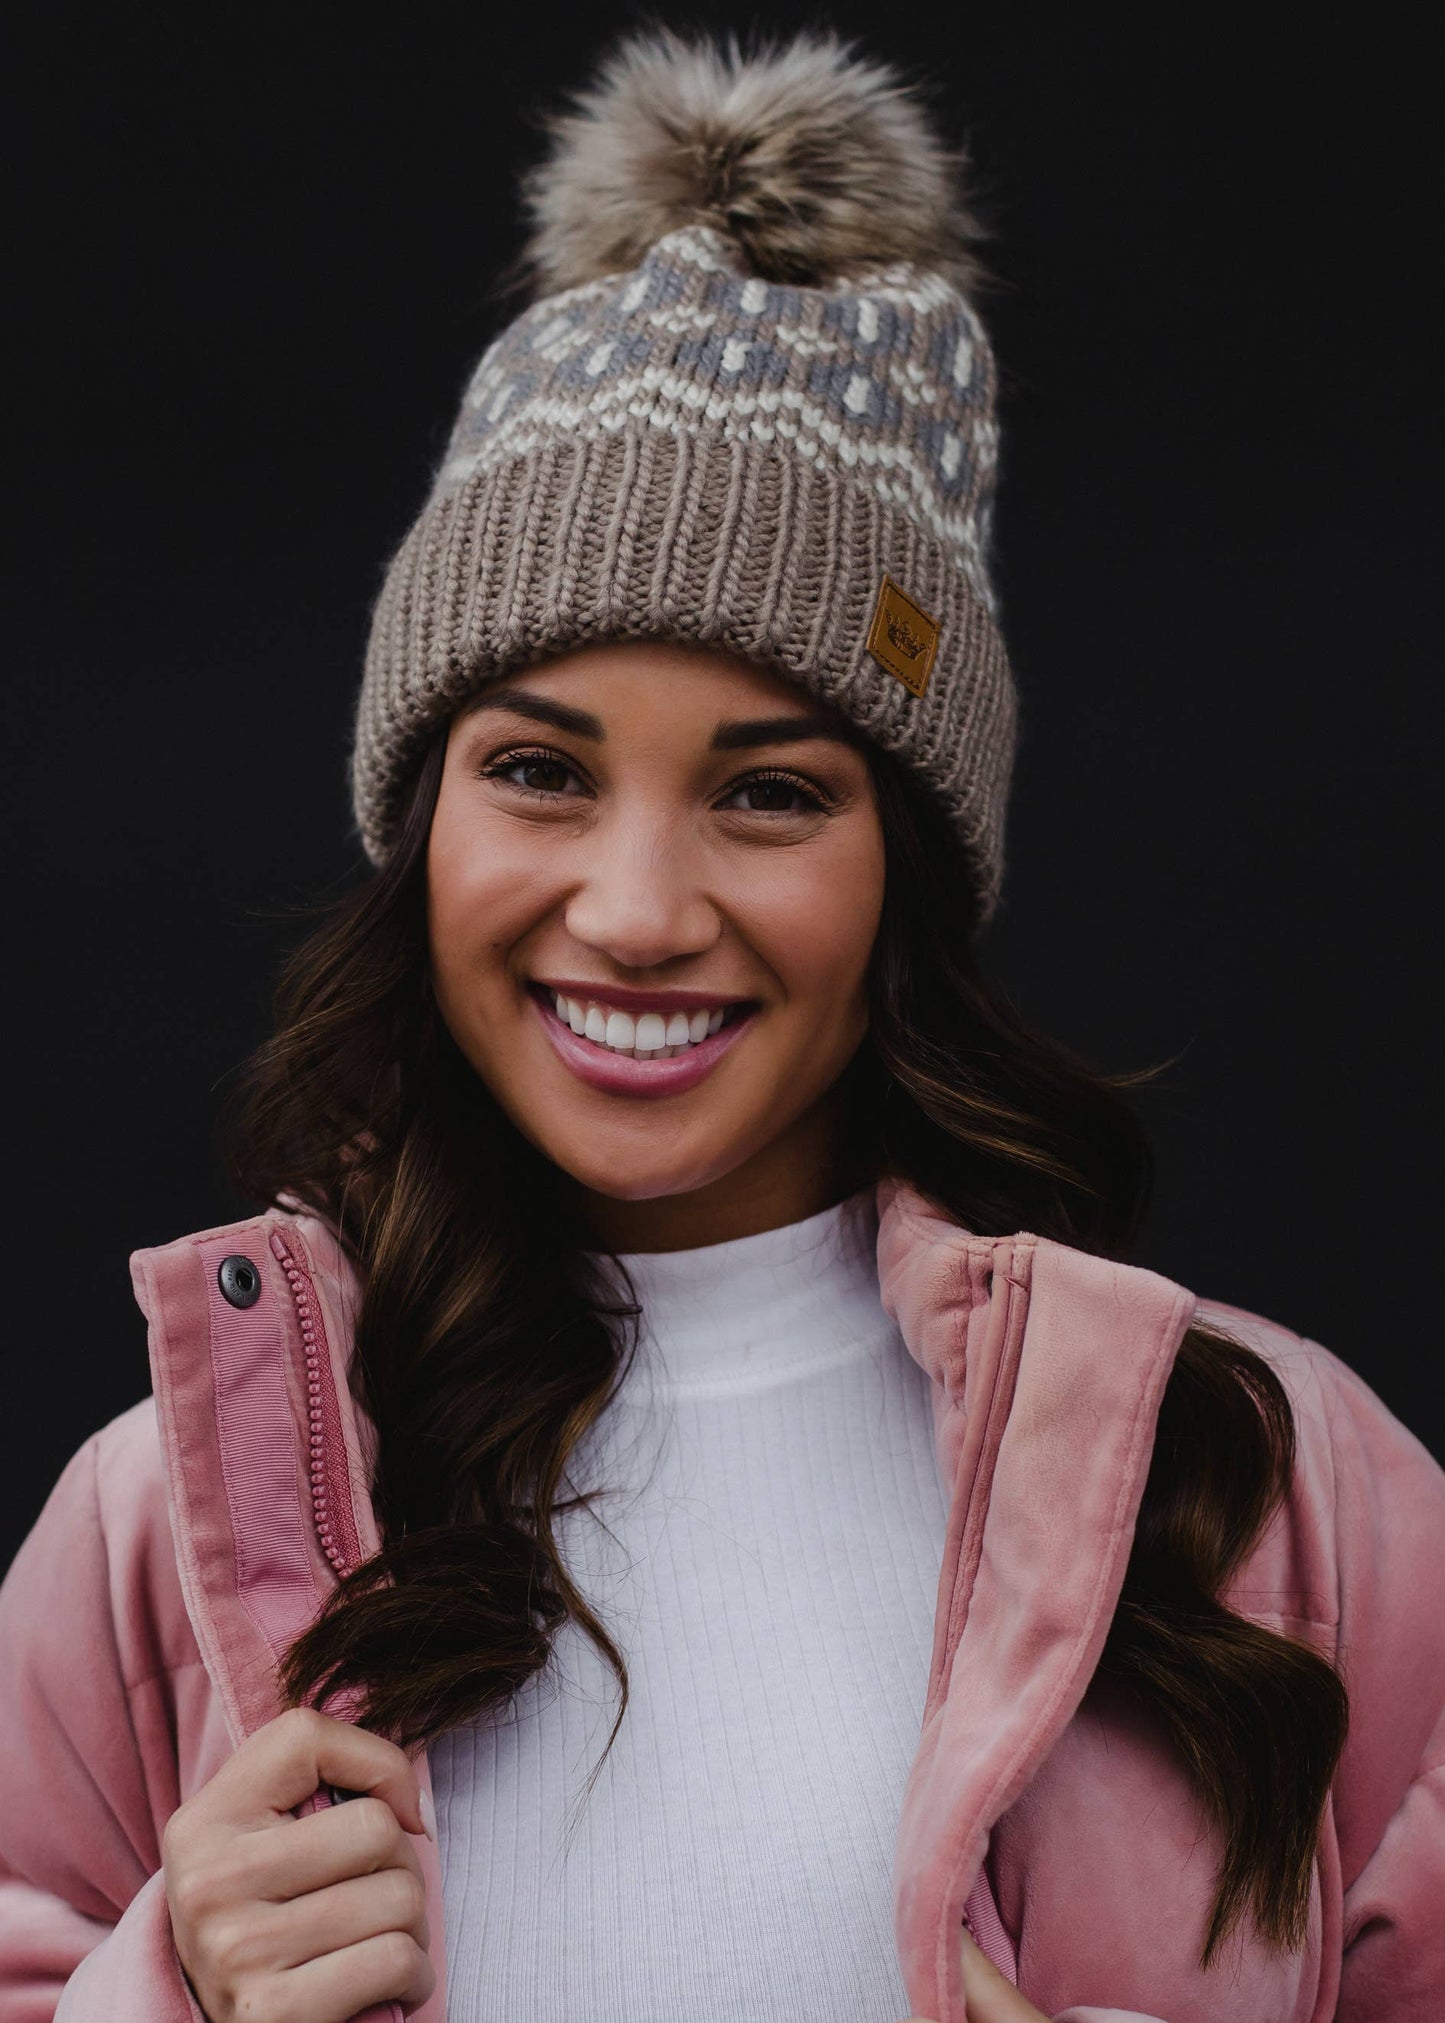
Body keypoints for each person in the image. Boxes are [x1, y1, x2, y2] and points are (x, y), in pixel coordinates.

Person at [1, 25, 1442, 2023]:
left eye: (770, 790)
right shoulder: (162, 1513)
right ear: (424, 825)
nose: (637, 910)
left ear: (903, 870)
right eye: (538, 771)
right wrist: (163, 1990)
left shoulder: (1282, 1485)